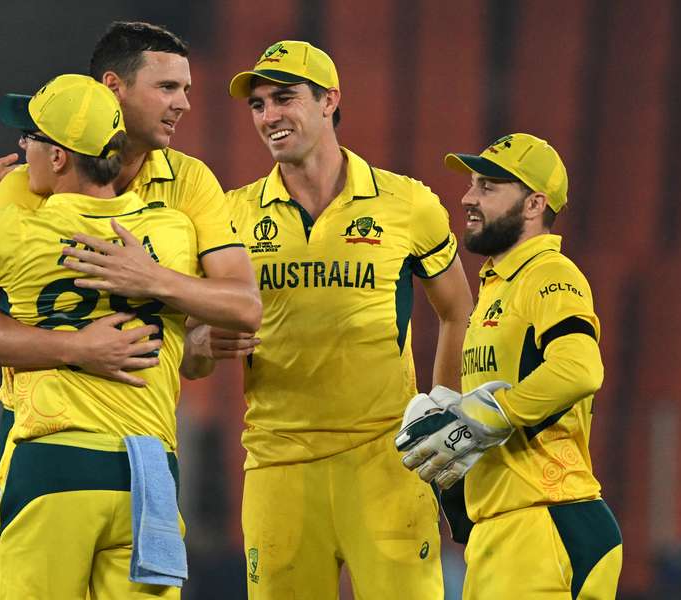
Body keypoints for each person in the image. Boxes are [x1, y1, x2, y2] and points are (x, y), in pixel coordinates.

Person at [181, 41, 474, 599]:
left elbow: (459, 311)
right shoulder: (230, 215)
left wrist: (444, 408)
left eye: (283, 98)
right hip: (278, 466)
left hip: (389, 462)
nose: (269, 116)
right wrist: (200, 341)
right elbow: (192, 357)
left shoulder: (407, 204)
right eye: (259, 105)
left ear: (328, 100)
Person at [0, 21, 260, 470]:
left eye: (186, 89)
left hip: (146, 440)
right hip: (43, 436)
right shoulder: (29, 183)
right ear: (114, 87)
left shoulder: (191, 182)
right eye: (168, 87)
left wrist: (183, 326)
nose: (184, 104)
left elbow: (235, 316)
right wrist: (78, 347)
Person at [0, 74, 197, 599]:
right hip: (150, 475)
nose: (22, 148)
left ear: (59, 157)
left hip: (55, 460)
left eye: (31, 139)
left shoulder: (11, 229)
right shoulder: (173, 231)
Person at [397, 133, 623, 599]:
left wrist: (489, 414)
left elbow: (581, 369)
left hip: (548, 521)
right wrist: (455, 413)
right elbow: (492, 412)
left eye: (488, 186)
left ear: (534, 203)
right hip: (504, 529)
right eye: (472, 184)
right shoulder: (498, 287)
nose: (468, 197)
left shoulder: (550, 274)